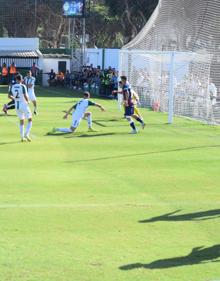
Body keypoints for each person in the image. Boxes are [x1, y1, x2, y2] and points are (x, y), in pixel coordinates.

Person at [8, 74, 33, 142]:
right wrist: (28, 101)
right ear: (21, 79)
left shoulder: (12, 86)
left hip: (17, 106)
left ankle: (22, 137)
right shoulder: (23, 86)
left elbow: (9, 96)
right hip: (23, 104)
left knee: (21, 120)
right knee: (30, 119)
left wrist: (15, 98)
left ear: (16, 79)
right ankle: (26, 134)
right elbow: (25, 95)